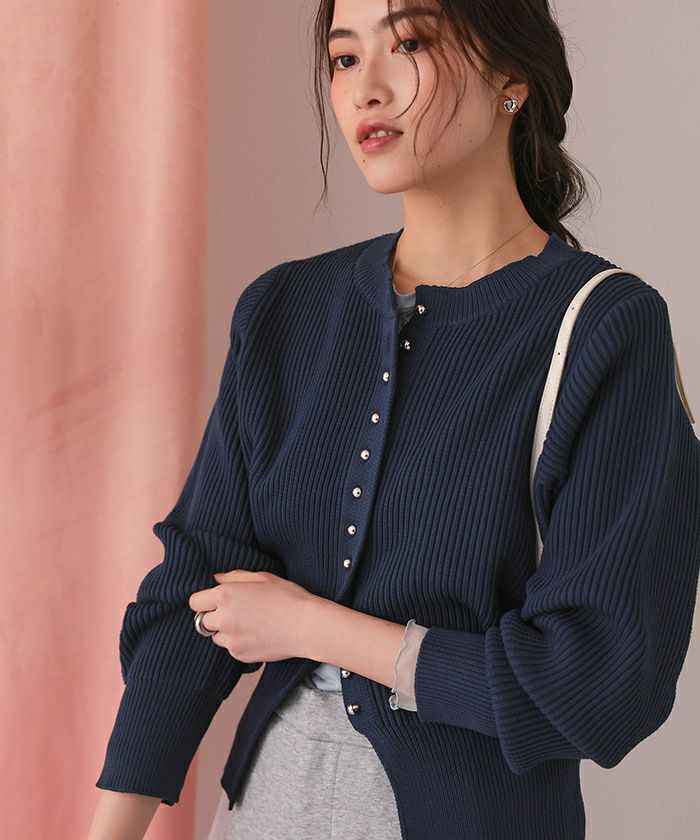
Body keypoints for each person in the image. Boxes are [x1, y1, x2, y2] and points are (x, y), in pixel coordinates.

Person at [90, 1, 700, 839]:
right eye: (344, 58)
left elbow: (599, 684)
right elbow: (192, 599)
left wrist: (312, 626)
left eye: (409, 43)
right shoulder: (285, 309)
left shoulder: (604, 328)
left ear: (511, 75)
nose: (365, 89)